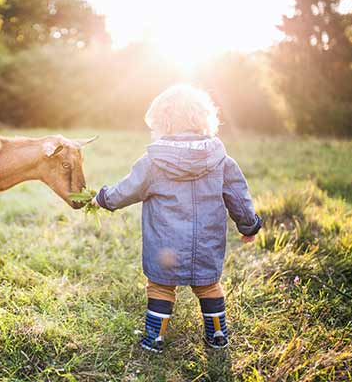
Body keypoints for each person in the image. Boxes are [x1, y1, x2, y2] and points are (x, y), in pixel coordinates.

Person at [91, 84, 262, 352]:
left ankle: (154, 338)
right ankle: (218, 335)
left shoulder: (152, 162)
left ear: (162, 122)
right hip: (206, 243)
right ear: (205, 118)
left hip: (164, 246)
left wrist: (103, 198)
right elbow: (238, 197)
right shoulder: (221, 160)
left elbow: (126, 190)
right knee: (208, 287)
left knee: (160, 288)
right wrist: (249, 224)